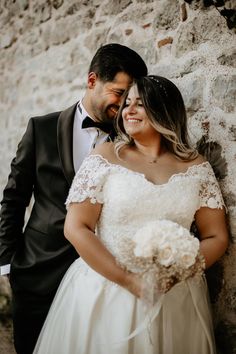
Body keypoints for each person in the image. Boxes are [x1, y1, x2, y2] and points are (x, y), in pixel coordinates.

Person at [33, 75, 229, 354]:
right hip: (106, 290)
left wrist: (179, 271)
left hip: (175, 296)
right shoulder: (105, 157)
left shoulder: (196, 167)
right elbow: (76, 228)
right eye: (127, 103)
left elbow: (216, 236)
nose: (129, 110)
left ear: (164, 111)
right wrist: (130, 282)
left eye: (140, 103)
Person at [0, 43, 148, 354]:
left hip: (102, 280)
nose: (123, 106)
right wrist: (6, 263)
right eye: (118, 93)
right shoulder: (40, 128)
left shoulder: (131, 139)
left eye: (130, 97)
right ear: (92, 80)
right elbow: (14, 199)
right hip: (40, 271)